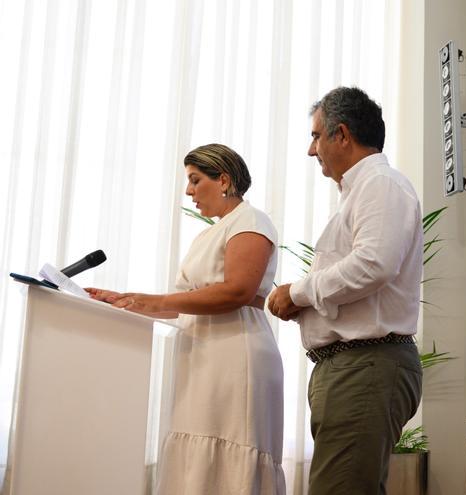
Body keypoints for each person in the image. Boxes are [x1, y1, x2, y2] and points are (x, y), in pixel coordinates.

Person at [87, 144, 285, 495]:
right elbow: (186, 304)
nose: (188, 191)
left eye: (195, 180)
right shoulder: (209, 233)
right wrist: (126, 301)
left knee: (230, 448)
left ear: (223, 179)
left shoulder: (251, 221)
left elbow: (237, 292)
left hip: (235, 355)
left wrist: (152, 299)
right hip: (200, 353)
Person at [267, 87, 423, 495]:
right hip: (352, 367)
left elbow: (373, 264)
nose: (310, 149)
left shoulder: (381, 184)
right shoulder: (364, 191)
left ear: (342, 134)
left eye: (316, 136)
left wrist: (298, 293)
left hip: (367, 365)